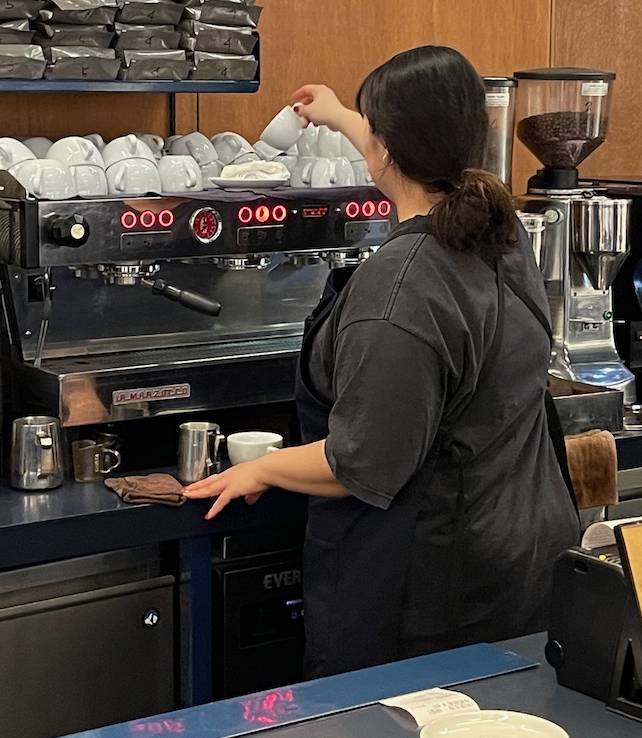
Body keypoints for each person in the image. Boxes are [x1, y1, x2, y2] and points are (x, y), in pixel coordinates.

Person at [184, 45, 578, 677]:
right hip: (521, 558)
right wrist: (341, 114)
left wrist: (263, 469)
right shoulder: (501, 231)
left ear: (387, 150)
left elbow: (364, 462)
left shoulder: (400, 286)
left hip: (430, 591)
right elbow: (400, 145)